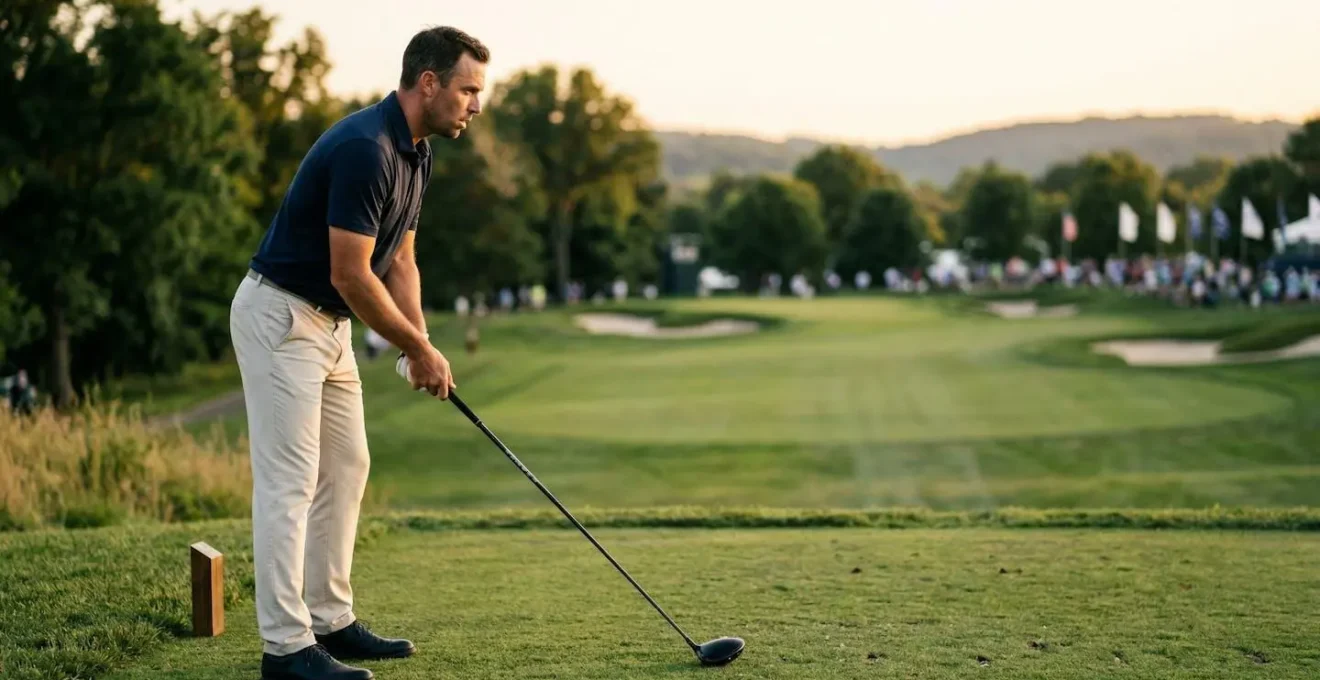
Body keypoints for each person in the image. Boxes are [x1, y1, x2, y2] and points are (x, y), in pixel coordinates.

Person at [227, 26, 488, 680]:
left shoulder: (417, 153)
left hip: (330, 327)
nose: (476, 105)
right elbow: (350, 273)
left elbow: (400, 259)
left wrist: (418, 345)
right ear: (428, 82)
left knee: (346, 466)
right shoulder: (365, 149)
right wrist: (417, 348)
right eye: (468, 90)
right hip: (282, 316)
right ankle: (286, 648)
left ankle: (329, 620)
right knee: (289, 483)